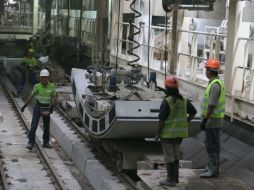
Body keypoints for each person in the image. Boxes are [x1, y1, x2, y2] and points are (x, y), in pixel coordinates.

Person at [155, 76, 197, 187]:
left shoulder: (167, 102)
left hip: (168, 135)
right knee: (176, 155)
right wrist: (186, 122)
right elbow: (193, 112)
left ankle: (170, 179)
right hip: (179, 135)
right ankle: (176, 178)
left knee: (169, 157)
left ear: (166, 88)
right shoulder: (183, 100)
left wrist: (157, 134)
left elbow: (162, 121)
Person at [200, 58, 225, 178]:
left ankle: (212, 170)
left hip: (212, 120)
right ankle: (212, 167)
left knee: (211, 145)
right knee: (214, 144)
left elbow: (212, 104)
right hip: (214, 119)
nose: (206, 72)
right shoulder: (215, 83)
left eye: (206, 69)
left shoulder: (215, 85)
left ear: (209, 71)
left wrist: (205, 120)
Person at [21, 69, 56, 150]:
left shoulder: (52, 86)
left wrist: (52, 106)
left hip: (46, 107)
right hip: (38, 107)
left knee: (46, 127)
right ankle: (30, 142)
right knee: (34, 126)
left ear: (48, 78)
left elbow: (53, 96)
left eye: (46, 77)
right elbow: (31, 96)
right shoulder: (37, 86)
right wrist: (25, 105)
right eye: (43, 77)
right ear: (40, 78)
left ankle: (46, 142)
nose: (44, 79)